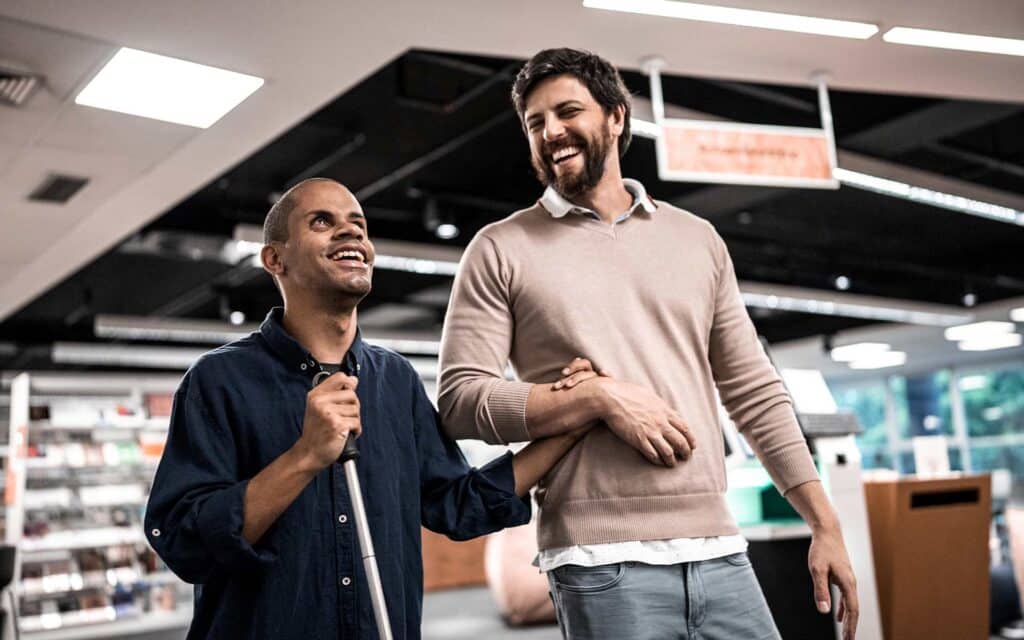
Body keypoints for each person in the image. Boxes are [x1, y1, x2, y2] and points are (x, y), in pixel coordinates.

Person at [437, 48, 859, 640]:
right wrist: (598, 399)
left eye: (567, 111)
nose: (551, 131)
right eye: (535, 123)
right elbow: (460, 401)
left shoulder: (698, 239)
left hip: (718, 545)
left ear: (615, 117)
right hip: (596, 560)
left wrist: (824, 522)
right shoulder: (499, 248)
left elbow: (754, 390)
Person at [144, 177, 587, 640]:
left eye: (358, 224)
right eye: (322, 222)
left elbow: (456, 505)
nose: (351, 233)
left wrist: (570, 424)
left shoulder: (394, 381)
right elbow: (185, 543)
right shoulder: (218, 382)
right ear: (275, 259)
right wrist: (305, 456)